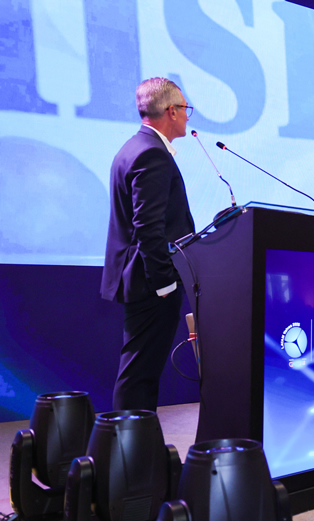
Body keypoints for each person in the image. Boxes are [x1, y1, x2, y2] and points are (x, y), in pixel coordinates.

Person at [100, 78, 196, 412]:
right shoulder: (152, 153)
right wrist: (165, 283)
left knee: (139, 371)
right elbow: (148, 227)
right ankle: (129, 443)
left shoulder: (134, 147)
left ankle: (135, 440)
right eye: (185, 108)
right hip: (150, 282)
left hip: (140, 278)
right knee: (139, 374)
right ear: (171, 111)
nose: (188, 116)